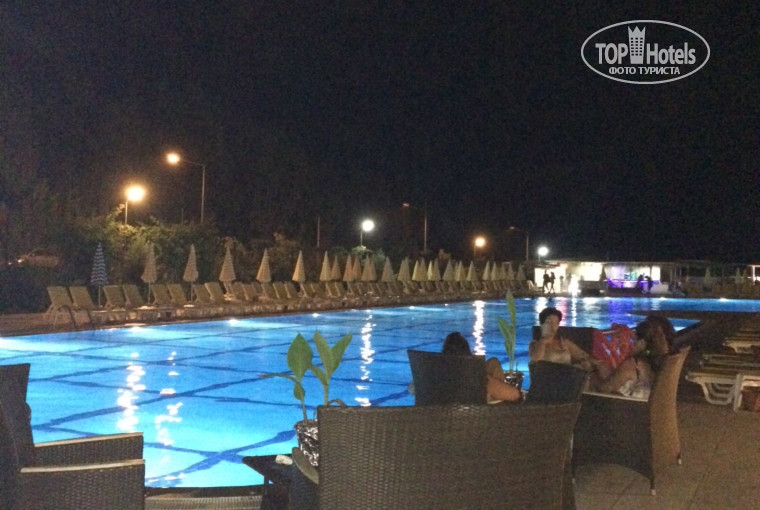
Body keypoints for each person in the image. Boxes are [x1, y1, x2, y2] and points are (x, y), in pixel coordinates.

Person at [591, 315, 676, 398]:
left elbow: (602, 390)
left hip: (627, 406)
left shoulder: (632, 366)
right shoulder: (669, 364)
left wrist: (592, 375)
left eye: (634, 337)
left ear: (641, 341)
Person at [442, 332, 521, 403]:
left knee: (492, 363)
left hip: (442, 413)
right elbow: (514, 395)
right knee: (493, 363)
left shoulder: (438, 375)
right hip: (477, 412)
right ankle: (494, 397)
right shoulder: (476, 376)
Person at [529, 307, 597, 372]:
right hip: (547, 378)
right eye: (548, 322)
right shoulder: (535, 344)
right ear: (542, 324)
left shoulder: (565, 343)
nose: (552, 326)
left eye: (556, 323)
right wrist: (543, 342)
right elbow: (536, 363)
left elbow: (585, 357)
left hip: (568, 377)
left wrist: (595, 364)